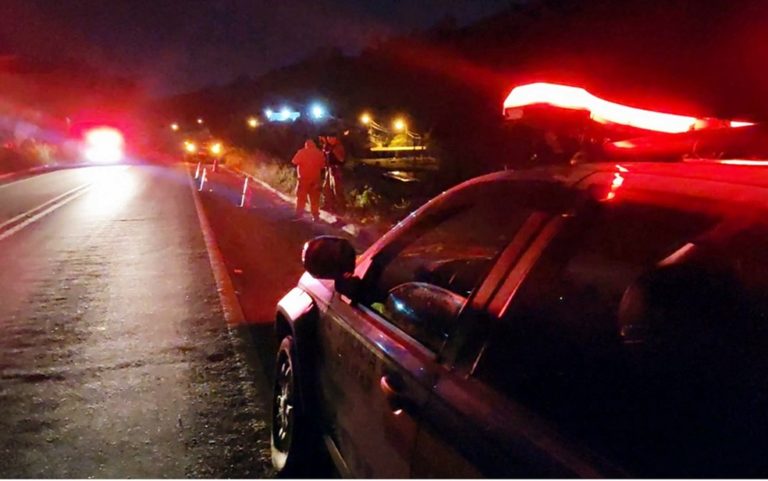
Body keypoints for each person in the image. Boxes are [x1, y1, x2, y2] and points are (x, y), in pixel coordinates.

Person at [291, 139, 325, 221]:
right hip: (315, 180)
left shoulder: (302, 152)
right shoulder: (319, 153)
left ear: (306, 145)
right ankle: (315, 216)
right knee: (314, 199)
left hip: (303, 180)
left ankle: (299, 214)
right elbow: (323, 165)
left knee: (301, 198)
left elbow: (294, 161)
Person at [322, 135, 346, 213]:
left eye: (330, 138)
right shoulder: (328, 146)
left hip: (336, 170)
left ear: (335, 138)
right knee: (326, 188)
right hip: (329, 169)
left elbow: (341, 159)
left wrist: (333, 150)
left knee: (337, 189)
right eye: (327, 138)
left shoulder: (338, 146)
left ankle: (341, 208)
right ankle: (329, 205)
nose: (328, 139)